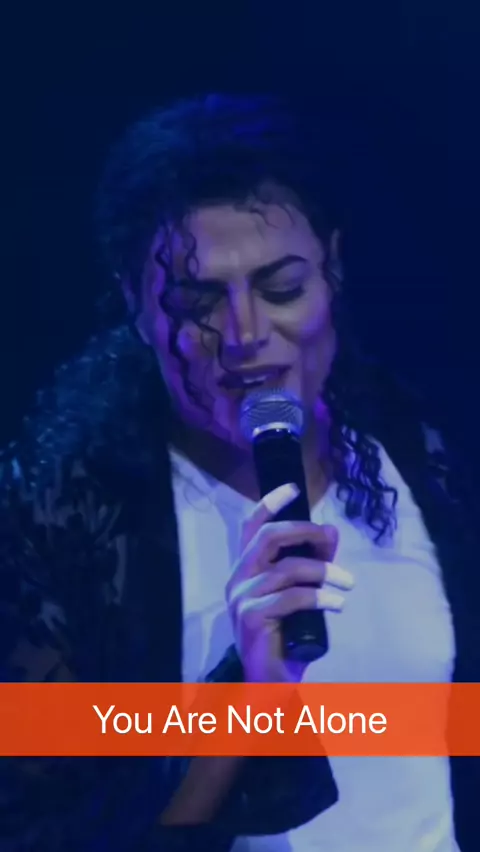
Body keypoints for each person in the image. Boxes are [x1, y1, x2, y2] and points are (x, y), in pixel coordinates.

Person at [0, 94, 479, 852]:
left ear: (333, 270)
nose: (245, 334)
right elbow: (47, 824)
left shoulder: (421, 456)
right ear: (135, 304)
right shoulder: (67, 521)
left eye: (281, 288)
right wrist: (252, 692)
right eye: (199, 302)